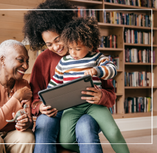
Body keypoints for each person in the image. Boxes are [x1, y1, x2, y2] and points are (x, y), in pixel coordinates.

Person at [23, 0, 116, 153]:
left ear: (65, 30)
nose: (56, 47)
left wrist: (101, 96)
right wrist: (41, 106)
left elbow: (110, 93)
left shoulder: (89, 52)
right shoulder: (42, 60)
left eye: (58, 39)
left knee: (85, 126)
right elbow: (34, 97)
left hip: (88, 108)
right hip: (55, 111)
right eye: (49, 44)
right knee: (44, 124)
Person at [47, 17, 130, 153]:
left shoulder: (97, 58)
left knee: (113, 132)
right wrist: (48, 100)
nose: (73, 53)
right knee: (65, 141)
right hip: (72, 107)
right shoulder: (63, 62)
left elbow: (112, 69)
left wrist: (97, 70)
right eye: (70, 48)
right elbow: (54, 83)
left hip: (94, 105)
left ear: (90, 45)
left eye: (78, 49)